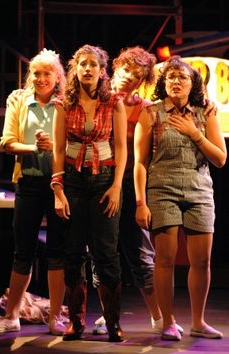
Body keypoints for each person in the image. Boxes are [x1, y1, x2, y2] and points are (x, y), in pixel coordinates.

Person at [134, 55, 227, 341]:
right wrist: (140, 202)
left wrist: (194, 134)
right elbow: (140, 162)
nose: (175, 81)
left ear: (193, 83)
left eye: (182, 77)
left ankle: (198, 321)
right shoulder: (150, 113)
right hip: (162, 190)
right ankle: (168, 322)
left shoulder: (206, 112)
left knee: (201, 261)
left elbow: (220, 159)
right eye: (170, 77)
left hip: (199, 190)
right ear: (163, 83)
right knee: (165, 258)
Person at [92, 46, 184, 336]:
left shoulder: (145, 108)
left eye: (136, 74)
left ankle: (159, 317)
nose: (128, 77)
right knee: (100, 254)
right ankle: (108, 313)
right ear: (115, 68)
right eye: (125, 69)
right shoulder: (96, 101)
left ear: (142, 79)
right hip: (100, 183)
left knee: (141, 254)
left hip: (132, 186)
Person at [51, 44, 127, 342]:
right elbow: (58, 149)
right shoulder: (63, 103)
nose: (87, 69)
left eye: (93, 64)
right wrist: (58, 190)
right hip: (72, 179)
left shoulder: (114, 102)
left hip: (105, 178)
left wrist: (117, 186)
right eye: (82, 64)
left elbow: (120, 147)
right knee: (73, 253)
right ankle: (76, 321)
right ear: (75, 69)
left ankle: (112, 323)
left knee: (106, 253)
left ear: (101, 70)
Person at [0, 48, 67, 336]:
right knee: (22, 250)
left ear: (58, 76)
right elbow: (8, 141)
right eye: (36, 73)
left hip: (59, 185)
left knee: (58, 252)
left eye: (48, 73)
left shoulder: (65, 102)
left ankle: (55, 318)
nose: (41, 77)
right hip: (29, 182)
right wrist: (37, 148)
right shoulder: (20, 101)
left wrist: (54, 149)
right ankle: (11, 315)